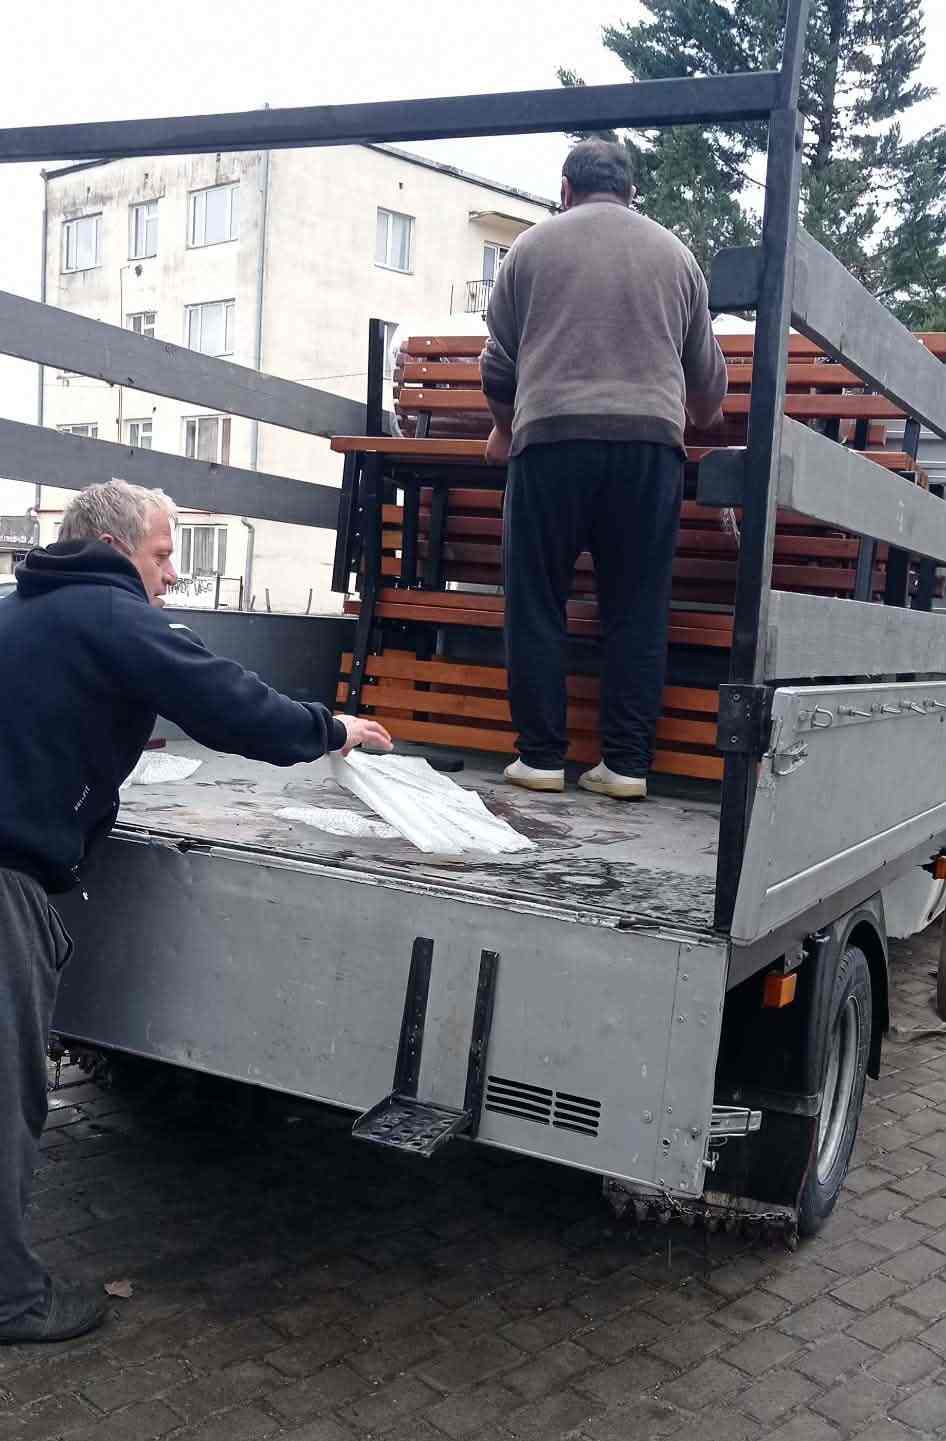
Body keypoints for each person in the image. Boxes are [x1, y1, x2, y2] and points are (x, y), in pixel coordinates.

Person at [0, 480, 391, 1345]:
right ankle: (8, 1299)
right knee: (6, 1097)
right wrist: (330, 729)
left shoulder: (21, 607)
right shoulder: (110, 612)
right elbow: (224, 700)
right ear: (115, 549)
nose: (171, 575)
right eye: (164, 553)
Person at [480, 138, 727, 800]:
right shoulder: (676, 257)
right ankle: (625, 764)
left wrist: (503, 429)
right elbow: (708, 392)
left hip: (550, 440)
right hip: (649, 447)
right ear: (630, 193)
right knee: (637, 607)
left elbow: (497, 368)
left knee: (537, 600)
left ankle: (539, 757)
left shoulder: (527, 251)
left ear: (564, 190)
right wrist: (692, 406)